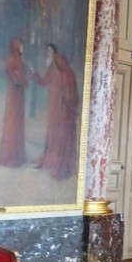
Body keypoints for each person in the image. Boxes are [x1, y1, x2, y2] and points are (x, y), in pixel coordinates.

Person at [32, 43, 80, 180]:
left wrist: (68, 105)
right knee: (53, 133)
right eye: (47, 51)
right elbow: (44, 82)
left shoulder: (66, 72)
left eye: (50, 51)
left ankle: (60, 164)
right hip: (54, 108)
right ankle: (51, 160)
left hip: (62, 110)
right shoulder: (52, 69)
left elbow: (70, 94)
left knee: (61, 134)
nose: (48, 54)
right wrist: (34, 75)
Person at [0, 38, 29, 167]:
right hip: (14, 96)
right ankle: (10, 156)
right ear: (15, 46)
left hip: (19, 95)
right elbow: (15, 77)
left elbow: (21, 74)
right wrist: (23, 81)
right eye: (20, 45)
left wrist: (24, 78)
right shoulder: (12, 60)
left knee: (18, 122)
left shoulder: (19, 60)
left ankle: (18, 154)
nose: (22, 47)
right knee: (13, 122)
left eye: (22, 45)